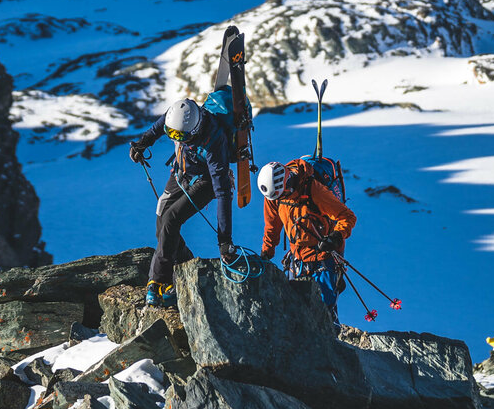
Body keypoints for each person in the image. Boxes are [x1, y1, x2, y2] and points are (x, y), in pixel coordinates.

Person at [130, 98, 236, 307]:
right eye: (174, 135)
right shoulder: (176, 119)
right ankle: (185, 268)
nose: (177, 138)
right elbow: (159, 127)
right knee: (162, 223)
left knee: (171, 219)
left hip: (206, 182)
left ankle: (159, 281)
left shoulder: (215, 140)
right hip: (182, 171)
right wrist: (142, 143)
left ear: (195, 130)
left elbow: (222, 192)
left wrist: (224, 240)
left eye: (182, 136)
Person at [258, 159, 356, 318]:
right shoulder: (274, 194)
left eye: (282, 194)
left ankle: (331, 337)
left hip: (324, 258)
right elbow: (272, 226)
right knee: (296, 312)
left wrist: (335, 237)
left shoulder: (314, 190)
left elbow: (347, 217)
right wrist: (266, 254)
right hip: (297, 260)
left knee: (324, 312)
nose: (281, 198)